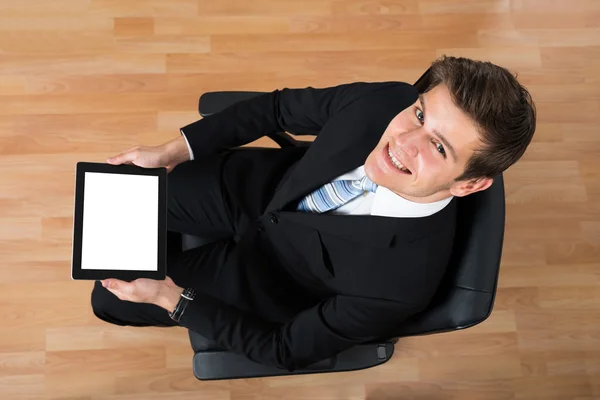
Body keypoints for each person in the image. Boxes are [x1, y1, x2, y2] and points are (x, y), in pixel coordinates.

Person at [91, 55, 536, 372]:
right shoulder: (385, 102)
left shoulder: (398, 286)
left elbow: (282, 349)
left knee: (108, 297)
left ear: (470, 183)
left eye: (438, 147)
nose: (404, 141)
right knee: (115, 200)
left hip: (269, 279)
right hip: (256, 189)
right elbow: (278, 107)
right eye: (420, 115)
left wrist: (172, 299)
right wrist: (173, 150)